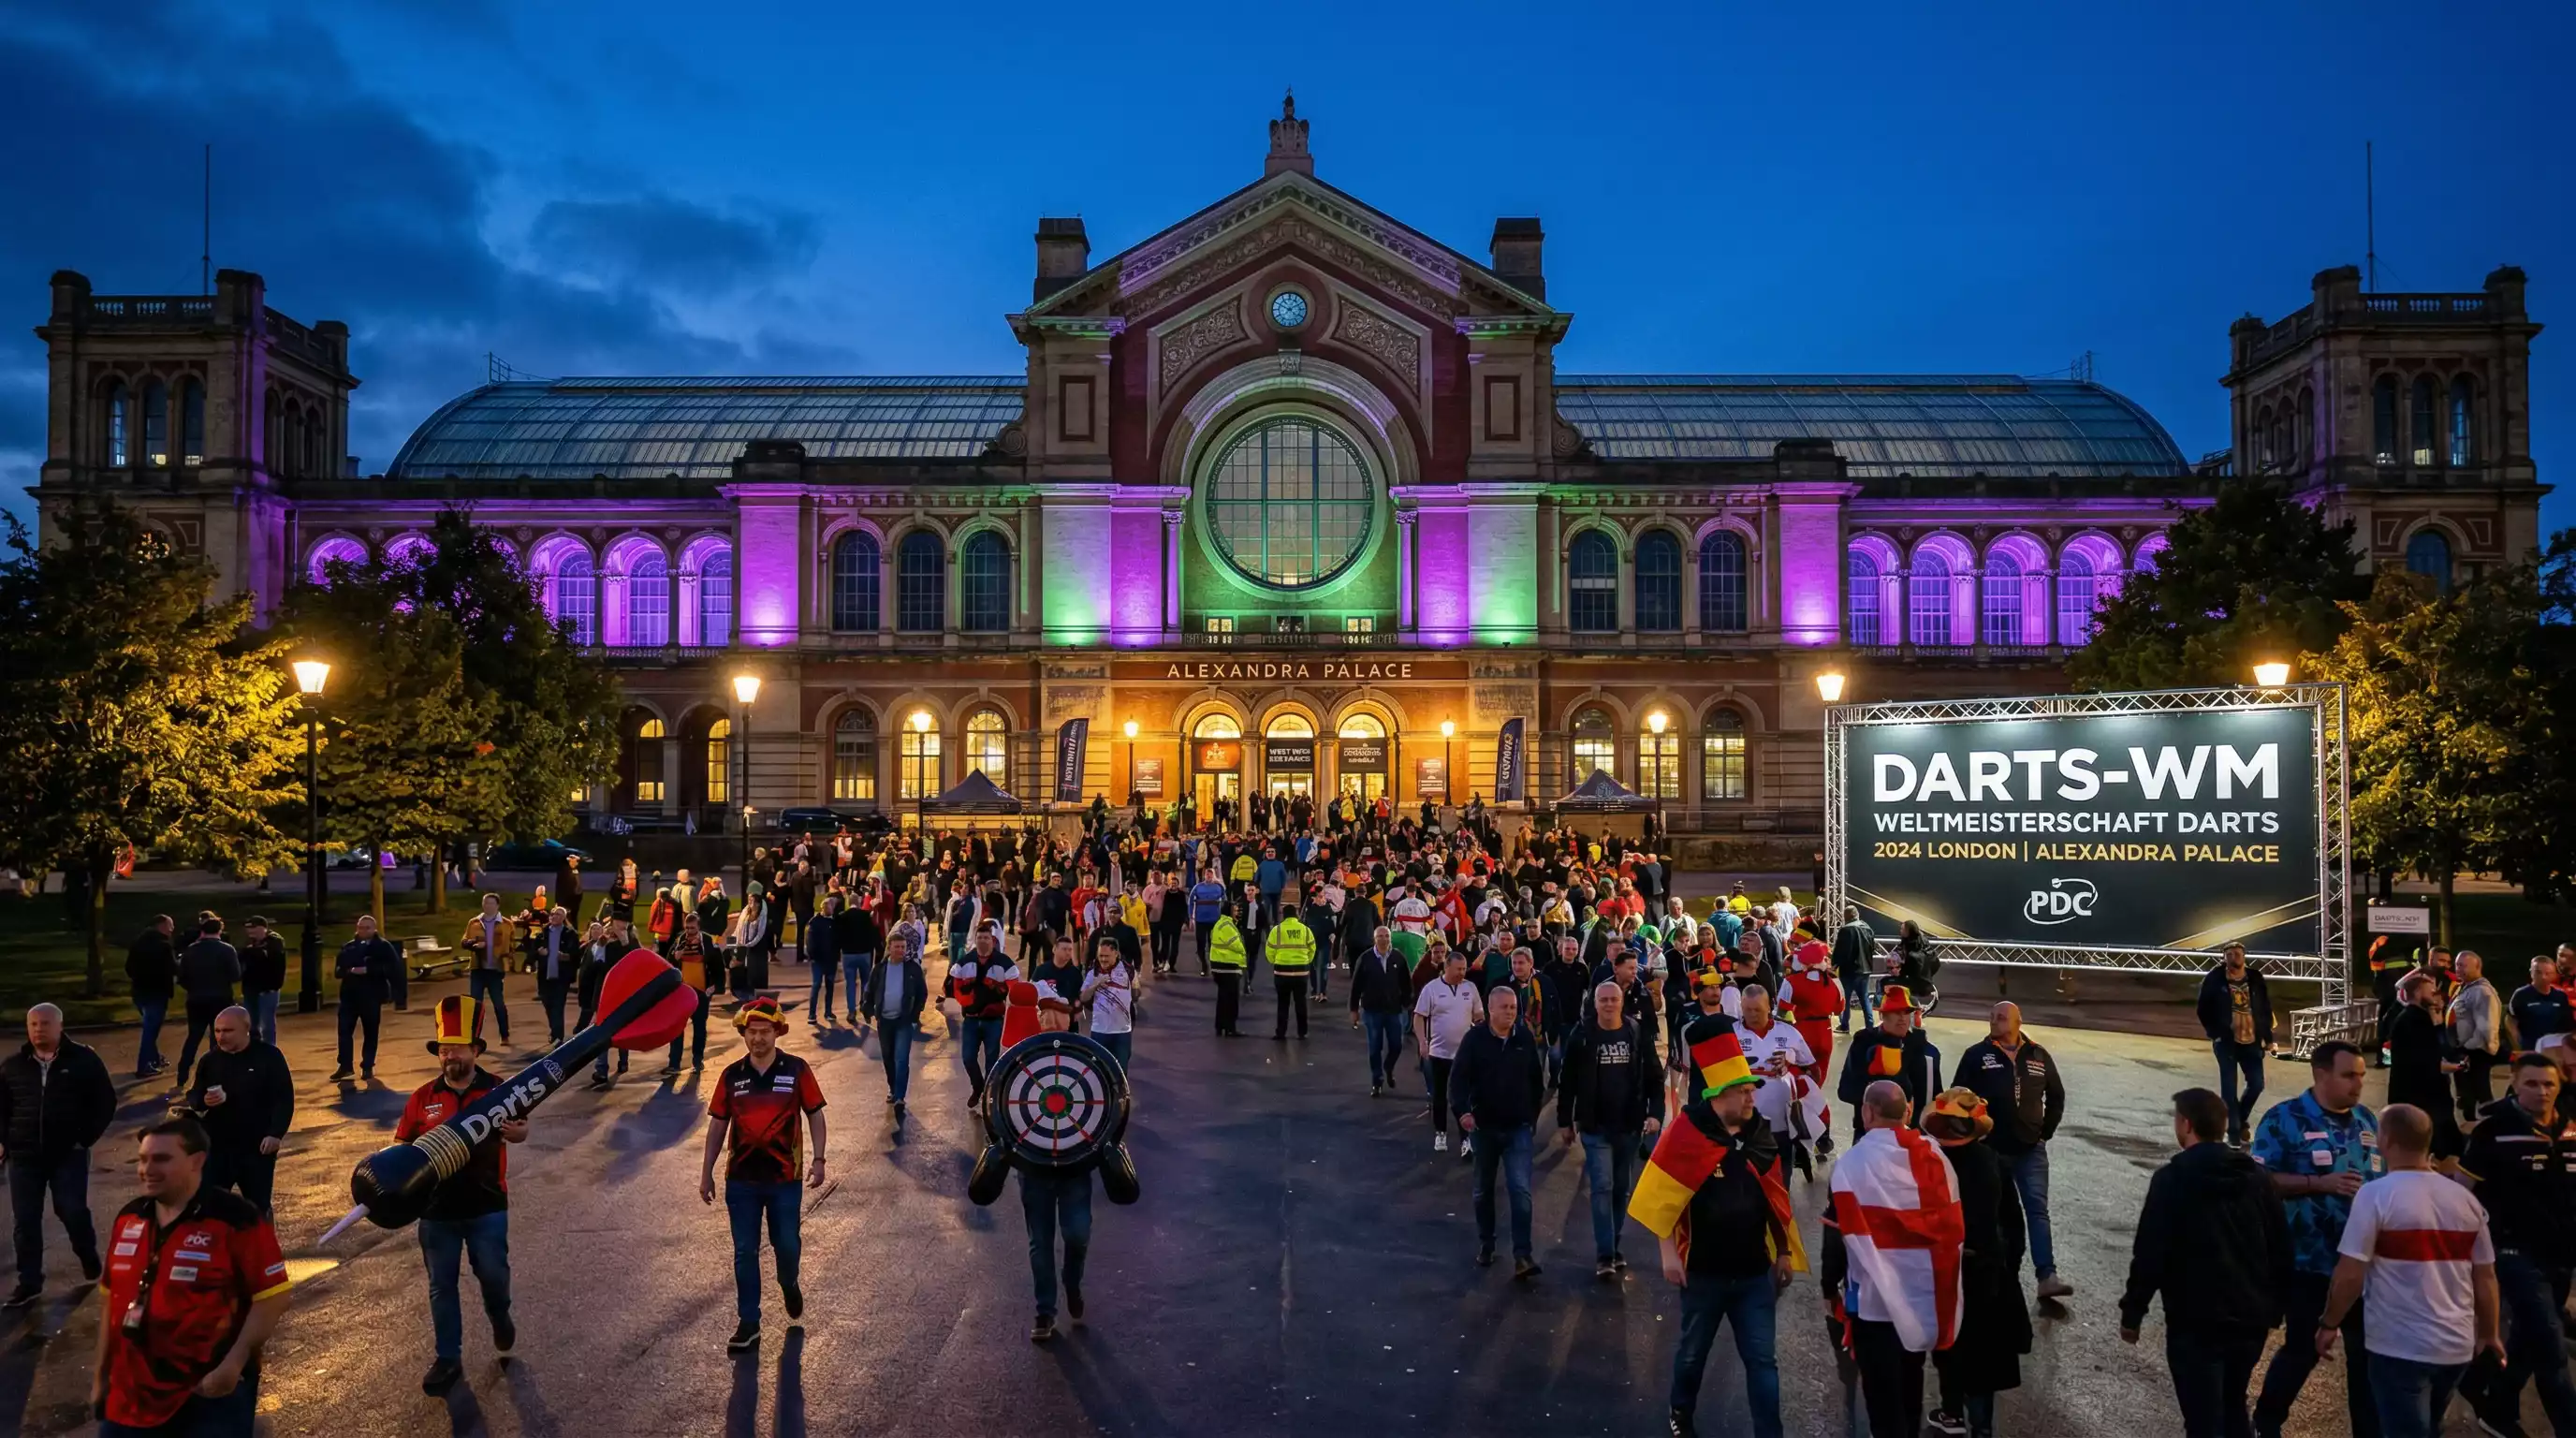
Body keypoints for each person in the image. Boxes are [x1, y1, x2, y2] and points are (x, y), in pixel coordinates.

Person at [1629, 1048, 1795, 1438]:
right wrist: (1668, 1253)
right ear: (1720, 1095)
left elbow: (1775, 1197)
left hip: (1755, 1273)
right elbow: (1661, 1197)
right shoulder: (1687, 1134)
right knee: (1692, 1356)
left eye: (1753, 1091)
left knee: (1762, 1363)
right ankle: (1680, 1412)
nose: (1753, 1097)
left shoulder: (1761, 1133)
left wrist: (1784, 1252)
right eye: (1745, 1092)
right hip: (1703, 1274)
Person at [93, 1115, 292, 1436]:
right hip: (130, 1396)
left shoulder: (236, 1219)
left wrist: (232, 1364)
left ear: (197, 1161)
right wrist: (102, 1377)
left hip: (208, 1395)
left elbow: (272, 1297)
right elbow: (110, 1302)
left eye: (162, 1159)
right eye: (143, 1160)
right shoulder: (129, 1217)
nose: (147, 1170)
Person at [2316, 1103, 2502, 1438]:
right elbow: (2485, 1276)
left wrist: (2329, 1323)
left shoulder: (2376, 1195)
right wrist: (2489, 1333)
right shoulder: (2465, 1200)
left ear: (2385, 1140)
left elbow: (2350, 1273)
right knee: (2427, 1426)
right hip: (2455, 1348)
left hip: (2398, 1346)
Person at [2119, 1087, 2291, 1438]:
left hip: (2195, 1320)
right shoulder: (2257, 1178)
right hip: (2249, 1319)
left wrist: (2133, 1311)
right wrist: (2275, 1307)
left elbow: (2151, 1250)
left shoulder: (2172, 1180)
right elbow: (2280, 1244)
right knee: (2233, 1405)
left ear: (2185, 1124)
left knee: (2202, 1418)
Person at [2248, 1038, 2384, 1437]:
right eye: (2348, 1076)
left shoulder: (2367, 1122)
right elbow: (2259, 1181)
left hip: (2362, 1264)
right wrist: (2317, 1183)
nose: (2358, 1085)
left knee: (2366, 1357)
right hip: (2308, 1260)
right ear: (2320, 1073)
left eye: (2361, 1075)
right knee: (2303, 1348)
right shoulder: (2284, 1119)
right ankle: (2268, 1421)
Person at [1822, 1079, 1965, 1438]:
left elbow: (1839, 1236)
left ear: (1867, 1112)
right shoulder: (1936, 1158)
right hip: (1921, 1298)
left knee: (1882, 1400)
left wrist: (1829, 1286)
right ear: (1907, 1111)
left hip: (1874, 1303)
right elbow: (1951, 1229)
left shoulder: (1852, 1164)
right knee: (1910, 1383)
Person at [397, 996, 526, 1394]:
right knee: (441, 1284)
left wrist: (520, 1133)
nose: (448, 1054)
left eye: (456, 1047)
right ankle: (448, 1357)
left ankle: (500, 1317)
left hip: (487, 1204)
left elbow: (521, 1127)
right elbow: (402, 1146)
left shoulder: (499, 1090)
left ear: (475, 1050)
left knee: (492, 1276)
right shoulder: (422, 1096)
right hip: (437, 1211)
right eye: (443, 1048)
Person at [2453, 1052, 2576, 1437]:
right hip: (2511, 1254)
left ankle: (2491, 1401)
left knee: (2528, 1338)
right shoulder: (2493, 1131)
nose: (2541, 1092)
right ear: (2515, 1085)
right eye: (2532, 1084)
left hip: (2561, 1255)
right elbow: (2462, 1194)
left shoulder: (2571, 1129)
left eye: (2549, 1084)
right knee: (2553, 1349)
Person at [699, 996, 827, 1354]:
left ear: (777, 1032)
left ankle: (789, 1282)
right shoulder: (731, 1076)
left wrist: (819, 1159)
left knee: (787, 1245)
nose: (758, 1039)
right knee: (744, 1251)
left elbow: (815, 1114)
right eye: (752, 1032)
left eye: (765, 1032)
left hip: (785, 1179)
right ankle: (749, 1322)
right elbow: (718, 1125)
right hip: (740, 1181)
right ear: (744, 1035)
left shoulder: (796, 1069)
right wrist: (706, 1172)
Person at [1924, 1089, 2031, 1438]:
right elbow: (2014, 1223)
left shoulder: (1928, 1163)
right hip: (1986, 1267)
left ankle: (1952, 1411)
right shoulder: (1994, 1162)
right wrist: (2007, 1266)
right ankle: (1981, 1426)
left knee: (1948, 1341)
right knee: (1983, 1349)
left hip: (1942, 1267)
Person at [0, 1004, 115, 1309]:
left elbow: (104, 1102)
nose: (39, 1029)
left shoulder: (84, 1060)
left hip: (68, 1153)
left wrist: (83, 1138)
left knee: (71, 1210)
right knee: (25, 1221)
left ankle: (87, 1254)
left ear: (60, 1026)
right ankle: (29, 1282)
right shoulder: (13, 1066)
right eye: (34, 1024)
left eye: (46, 1023)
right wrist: (3, 1142)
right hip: (23, 1155)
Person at [1955, 1001, 2071, 1300]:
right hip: (1992, 1150)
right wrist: (1972, 1137)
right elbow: (1957, 1097)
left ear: (2018, 1021)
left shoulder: (2038, 1054)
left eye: (2001, 1017)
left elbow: (2056, 1096)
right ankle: (1995, 1274)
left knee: (2037, 1210)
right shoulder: (1976, 1055)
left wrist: (2045, 1133)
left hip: (2031, 1149)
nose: (1994, 1021)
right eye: (1992, 1017)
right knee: (1993, 1212)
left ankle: (2047, 1276)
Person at [1558, 980, 1663, 1279]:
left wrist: (1655, 1114)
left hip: (1629, 1125)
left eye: (1613, 999)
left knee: (1620, 1190)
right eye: (1602, 1000)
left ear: (1620, 1003)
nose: (1608, 1004)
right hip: (1595, 1127)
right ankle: (1605, 1253)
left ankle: (1614, 1247)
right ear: (1595, 1003)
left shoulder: (1635, 1032)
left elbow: (1654, 1075)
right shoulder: (1583, 1035)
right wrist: (1565, 1120)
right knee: (1601, 1187)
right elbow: (1568, 1081)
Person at [1450, 984, 1546, 1278]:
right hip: (1485, 1128)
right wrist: (1464, 1113)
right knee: (1483, 1191)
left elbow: (1535, 1081)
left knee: (1521, 1191)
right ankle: (1487, 1243)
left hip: (1518, 1128)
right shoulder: (1475, 1040)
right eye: (1504, 1007)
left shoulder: (1524, 1039)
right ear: (1490, 1009)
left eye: (1514, 1008)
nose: (1510, 1012)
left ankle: (1523, 1255)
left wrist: (1531, 1118)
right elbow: (1458, 1081)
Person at [1021, 990, 1096, 1343]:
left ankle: (1073, 1282)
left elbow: (1105, 1106)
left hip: (1075, 1165)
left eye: (1059, 1014)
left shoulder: (1087, 1059)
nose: (1051, 1021)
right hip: (1033, 1165)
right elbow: (1004, 1106)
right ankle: (1044, 1311)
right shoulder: (1022, 1058)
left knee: (1077, 1235)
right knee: (1040, 1242)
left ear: (1071, 1019)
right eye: (1045, 1014)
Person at [185, 1007, 293, 1214]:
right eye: (217, 1031)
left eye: (227, 1031)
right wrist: (203, 1100)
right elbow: (195, 1094)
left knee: (257, 1207)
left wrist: (275, 1133)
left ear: (246, 1029)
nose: (220, 1036)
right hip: (218, 1146)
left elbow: (283, 1098)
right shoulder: (210, 1060)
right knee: (210, 1205)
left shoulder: (269, 1057)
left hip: (257, 1147)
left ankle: (262, 1245)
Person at [1836, 984, 1940, 1137]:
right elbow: (1845, 1091)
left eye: (1906, 1012)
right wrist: (1875, 1088)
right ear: (1882, 1016)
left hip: (1906, 1133)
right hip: (1868, 1132)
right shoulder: (1864, 1041)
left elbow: (1928, 1095)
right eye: (1896, 1012)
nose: (1903, 1018)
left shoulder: (1918, 1046)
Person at [2195, 943, 2273, 1146]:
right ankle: (2234, 1133)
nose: (2233, 957)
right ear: (2224, 958)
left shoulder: (2255, 978)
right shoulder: (2215, 978)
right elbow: (2203, 1008)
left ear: (2244, 956)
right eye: (2229, 954)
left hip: (2252, 1040)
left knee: (2257, 1084)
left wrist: (2269, 1039)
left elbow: (2265, 1008)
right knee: (2229, 1090)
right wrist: (2215, 1034)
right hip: (2226, 1042)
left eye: (2237, 954)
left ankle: (2240, 1119)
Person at [1412, 949, 1483, 1154]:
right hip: (1438, 1053)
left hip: (1464, 1055)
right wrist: (1422, 1043)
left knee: (1464, 1098)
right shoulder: (1432, 989)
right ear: (1447, 967)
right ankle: (1440, 1133)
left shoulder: (1470, 988)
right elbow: (1419, 1016)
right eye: (1459, 969)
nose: (1463, 973)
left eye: (1464, 968)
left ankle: (1466, 1140)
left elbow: (1478, 1015)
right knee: (1440, 1096)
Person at [2386, 972, 2461, 1157]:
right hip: (2420, 1098)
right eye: (2432, 991)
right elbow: (2424, 1060)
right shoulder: (2413, 1020)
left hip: (2425, 1097)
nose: (2436, 995)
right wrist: (2448, 1067)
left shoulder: (2419, 1018)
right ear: (2419, 993)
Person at [948, 928, 1018, 1107]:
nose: (982, 940)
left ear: (992, 940)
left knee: (992, 1061)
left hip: (994, 1020)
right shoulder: (964, 962)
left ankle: (989, 1097)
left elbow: (1015, 990)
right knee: (968, 1058)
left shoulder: (1004, 963)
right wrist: (968, 1001)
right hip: (971, 1019)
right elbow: (954, 987)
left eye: (986, 937)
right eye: (979, 937)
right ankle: (978, 1087)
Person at [329, 914, 404, 1081]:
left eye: (367, 928)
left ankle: (368, 1065)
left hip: (372, 996)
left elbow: (394, 969)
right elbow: (338, 971)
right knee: (344, 1031)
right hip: (349, 996)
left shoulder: (383, 947)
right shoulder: (349, 947)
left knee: (370, 1032)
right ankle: (345, 1066)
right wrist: (349, 971)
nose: (363, 931)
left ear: (374, 929)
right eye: (360, 927)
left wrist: (369, 970)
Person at [863, 930, 929, 1118]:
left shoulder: (912, 968)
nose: (901, 950)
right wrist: (866, 1009)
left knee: (901, 1059)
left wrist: (915, 1015)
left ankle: (900, 1096)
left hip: (904, 1021)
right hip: (884, 1020)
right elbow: (870, 991)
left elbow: (922, 993)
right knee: (888, 1057)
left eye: (903, 947)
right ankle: (893, 1088)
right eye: (897, 947)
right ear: (889, 947)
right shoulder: (880, 969)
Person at [174, 916, 241, 1085]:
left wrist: (193, 987)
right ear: (220, 930)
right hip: (221, 999)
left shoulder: (191, 950)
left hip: (196, 999)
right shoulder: (227, 950)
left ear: (202, 931)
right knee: (218, 1037)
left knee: (194, 1036)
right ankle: (214, 1074)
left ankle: (183, 1073)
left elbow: (182, 976)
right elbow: (235, 975)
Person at [1351, 925, 1415, 1095]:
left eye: (1386, 936)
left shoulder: (1398, 958)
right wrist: (1353, 1009)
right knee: (1374, 1047)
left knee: (1397, 1045)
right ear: (1374, 939)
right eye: (1380, 936)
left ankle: (1388, 1066)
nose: (1383, 939)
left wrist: (1407, 1002)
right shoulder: (1365, 959)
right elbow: (1356, 986)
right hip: (1372, 1011)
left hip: (1394, 1010)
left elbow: (1407, 983)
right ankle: (1377, 1081)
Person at [575, 916, 635, 1089]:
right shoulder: (602, 945)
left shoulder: (629, 943)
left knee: (621, 1031)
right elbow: (593, 971)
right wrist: (599, 948)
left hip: (621, 994)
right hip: (603, 994)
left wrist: (624, 941)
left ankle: (623, 1060)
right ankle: (601, 1070)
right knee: (602, 1033)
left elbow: (633, 959)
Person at [2446, 949, 2501, 1122]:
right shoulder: (2465, 988)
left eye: (2463, 965)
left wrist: (2469, 1049)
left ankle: (2489, 1129)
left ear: (2478, 967)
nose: (2458, 969)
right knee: (2467, 1096)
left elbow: (2487, 1027)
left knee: (2480, 1094)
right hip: (2464, 1052)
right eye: (2457, 965)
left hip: (2475, 1053)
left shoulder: (2482, 992)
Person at [125, 915, 179, 1078]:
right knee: (150, 1031)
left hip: (140, 992)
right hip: (157, 993)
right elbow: (173, 969)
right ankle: (144, 1066)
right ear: (161, 926)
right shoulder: (163, 946)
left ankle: (154, 1059)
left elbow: (129, 967)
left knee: (150, 1027)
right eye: (170, 926)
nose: (172, 929)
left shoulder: (138, 943)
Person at [459, 893, 514, 1047]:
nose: (488, 906)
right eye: (485, 903)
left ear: (497, 906)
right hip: (478, 969)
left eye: (491, 903)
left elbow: (511, 945)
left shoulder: (506, 924)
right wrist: (474, 944)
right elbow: (464, 942)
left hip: (496, 970)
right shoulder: (474, 922)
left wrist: (507, 959)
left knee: (498, 1004)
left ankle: (505, 1035)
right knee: (476, 1005)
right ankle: (474, 1038)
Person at [666, 912, 717, 1073]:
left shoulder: (707, 941)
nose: (689, 931)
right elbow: (668, 962)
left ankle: (697, 1060)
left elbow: (717, 965)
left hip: (701, 992)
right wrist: (675, 956)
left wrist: (714, 987)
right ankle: (674, 1064)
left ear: (699, 927)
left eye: (692, 928)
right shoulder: (680, 940)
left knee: (700, 1028)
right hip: (682, 993)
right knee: (677, 1028)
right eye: (687, 928)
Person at [1080, 938, 1136, 1070]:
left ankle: (1121, 1092)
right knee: (1099, 1069)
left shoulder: (1127, 969)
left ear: (1116, 953)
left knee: (1121, 1070)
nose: (1103, 960)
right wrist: (1096, 984)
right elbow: (1083, 997)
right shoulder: (1093, 971)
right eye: (1100, 956)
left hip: (1122, 1032)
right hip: (1099, 1031)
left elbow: (1136, 992)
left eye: (1106, 956)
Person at [1266, 896, 1317, 1040]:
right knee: (1301, 1002)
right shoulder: (1305, 930)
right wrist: (1306, 961)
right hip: (1301, 971)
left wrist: (1275, 961)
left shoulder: (1277, 930)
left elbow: (1269, 950)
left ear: (1283, 915)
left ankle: (1281, 1032)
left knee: (1283, 1003)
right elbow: (1312, 948)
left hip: (1282, 971)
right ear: (1296, 914)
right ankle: (1302, 1032)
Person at [529, 906, 579, 1044]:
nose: (554, 916)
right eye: (552, 914)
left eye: (557, 914)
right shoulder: (542, 934)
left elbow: (575, 955)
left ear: (563, 918)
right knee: (548, 1004)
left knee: (558, 1005)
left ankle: (557, 1036)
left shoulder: (570, 934)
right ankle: (555, 1030)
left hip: (561, 977)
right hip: (544, 976)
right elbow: (532, 954)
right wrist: (539, 953)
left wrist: (564, 956)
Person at [236, 917, 286, 1046]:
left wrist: (249, 951)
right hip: (250, 989)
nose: (250, 932)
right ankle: (254, 1049)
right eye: (248, 929)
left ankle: (270, 1051)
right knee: (252, 1024)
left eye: (253, 928)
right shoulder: (249, 943)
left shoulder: (274, 941)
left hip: (268, 989)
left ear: (262, 928)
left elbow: (268, 959)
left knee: (267, 1024)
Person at [2508, 956, 2572, 1055]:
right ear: (2531, 973)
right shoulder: (2521, 994)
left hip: (2555, 1049)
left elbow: (2567, 1024)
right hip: (2530, 1049)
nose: (2543, 977)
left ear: (2554, 974)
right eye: (2538, 972)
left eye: (2548, 973)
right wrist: (2518, 1042)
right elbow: (2510, 1020)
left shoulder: (2560, 996)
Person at [1207, 900, 1248, 1036]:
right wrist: (1243, 952)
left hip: (1218, 966)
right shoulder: (1228, 926)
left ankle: (1220, 1026)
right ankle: (1230, 1028)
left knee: (1222, 998)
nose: (1237, 913)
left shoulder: (1220, 923)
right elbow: (1237, 945)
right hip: (1228, 967)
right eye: (1235, 910)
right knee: (1231, 1000)